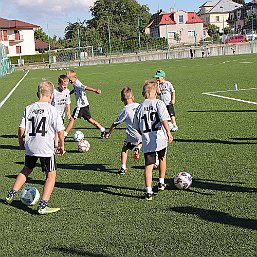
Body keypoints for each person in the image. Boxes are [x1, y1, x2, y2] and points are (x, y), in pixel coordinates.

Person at [5, 80, 65, 214]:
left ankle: (10, 194)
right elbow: (60, 131)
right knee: (50, 176)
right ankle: (43, 206)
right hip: (46, 148)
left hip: (31, 146)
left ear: (38, 93)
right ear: (51, 96)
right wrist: (61, 145)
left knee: (26, 169)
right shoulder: (52, 110)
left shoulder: (29, 108)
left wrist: (21, 143)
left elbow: (21, 129)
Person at [133, 80, 173, 200]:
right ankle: (161, 183)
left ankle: (148, 191)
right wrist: (169, 132)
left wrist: (144, 134)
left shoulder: (139, 107)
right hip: (160, 138)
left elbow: (136, 127)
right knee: (162, 158)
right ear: (156, 92)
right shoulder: (159, 103)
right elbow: (164, 119)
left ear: (143, 93)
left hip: (147, 141)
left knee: (148, 166)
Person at [105, 87, 142, 175]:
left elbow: (115, 123)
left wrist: (109, 133)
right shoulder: (139, 106)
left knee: (124, 149)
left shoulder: (125, 110)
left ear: (122, 99)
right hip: (143, 132)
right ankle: (139, 147)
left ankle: (123, 168)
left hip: (132, 135)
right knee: (148, 140)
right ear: (133, 97)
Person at [66, 70, 105, 138]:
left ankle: (64, 134)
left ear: (75, 77)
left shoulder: (77, 83)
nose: (69, 81)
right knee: (90, 120)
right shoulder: (75, 83)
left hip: (80, 106)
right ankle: (102, 130)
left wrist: (95, 90)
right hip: (85, 105)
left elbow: (85, 87)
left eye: (70, 80)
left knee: (72, 119)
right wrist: (69, 93)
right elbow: (75, 90)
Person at [51, 74, 74, 145]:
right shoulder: (54, 92)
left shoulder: (67, 91)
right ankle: (55, 144)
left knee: (59, 129)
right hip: (53, 114)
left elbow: (68, 102)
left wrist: (69, 112)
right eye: (63, 86)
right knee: (54, 130)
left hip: (62, 115)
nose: (64, 87)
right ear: (59, 84)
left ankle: (56, 144)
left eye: (66, 86)